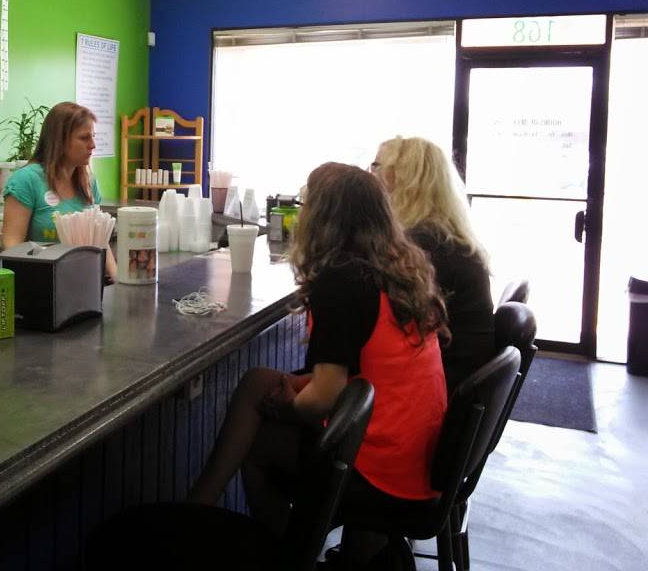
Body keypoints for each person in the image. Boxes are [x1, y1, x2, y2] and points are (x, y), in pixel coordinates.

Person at [186, 163, 449, 565]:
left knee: (257, 444)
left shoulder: (343, 278)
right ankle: (197, 513)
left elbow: (325, 397)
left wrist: (287, 406)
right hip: (420, 459)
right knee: (258, 381)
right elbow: (372, 366)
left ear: (322, 217)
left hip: (378, 468)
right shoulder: (399, 268)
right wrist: (297, 390)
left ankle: (284, 554)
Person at [371, 136, 495, 391]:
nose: (370, 174)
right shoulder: (442, 234)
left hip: (441, 382)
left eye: (376, 166)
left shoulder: (424, 245)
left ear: (403, 177)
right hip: (459, 372)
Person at [2, 101, 117, 279]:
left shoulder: (89, 182)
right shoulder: (26, 180)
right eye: (84, 138)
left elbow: (100, 240)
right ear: (60, 141)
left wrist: (118, 281)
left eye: (93, 137)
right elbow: (12, 246)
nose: (93, 145)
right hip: (41, 282)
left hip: (85, 282)